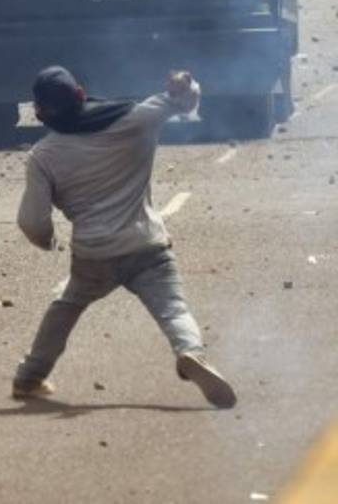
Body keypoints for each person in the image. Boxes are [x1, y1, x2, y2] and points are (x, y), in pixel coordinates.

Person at [12, 66, 237, 409]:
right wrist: (186, 81)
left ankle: (30, 377)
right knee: (173, 309)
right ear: (82, 95)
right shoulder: (137, 118)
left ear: (40, 113)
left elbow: (33, 222)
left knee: (66, 307)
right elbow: (186, 100)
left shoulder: (44, 155)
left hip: (93, 255)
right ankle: (190, 352)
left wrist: (47, 240)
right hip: (147, 245)